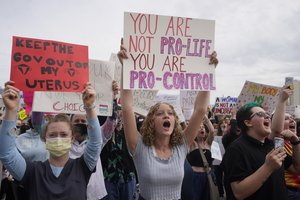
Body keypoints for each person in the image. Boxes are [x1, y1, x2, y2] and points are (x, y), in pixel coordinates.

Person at [118, 40, 217, 199]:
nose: (166, 115)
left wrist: (208, 72)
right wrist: (126, 67)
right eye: (160, 113)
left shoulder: (181, 146)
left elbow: (199, 110)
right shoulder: (139, 146)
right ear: (151, 122)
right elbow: (127, 108)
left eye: (170, 113)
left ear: (174, 121)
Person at [0, 81, 102, 200]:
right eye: (53, 135)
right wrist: (11, 110)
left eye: (63, 134)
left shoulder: (82, 167)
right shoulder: (32, 171)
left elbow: (95, 142)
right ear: (45, 139)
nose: (58, 138)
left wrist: (89, 107)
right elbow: (6, 153)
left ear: (72, 138)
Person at [222, 91, 300, 199]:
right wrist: (268, 167)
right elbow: (239, 193)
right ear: (248, 123)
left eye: (267, 114)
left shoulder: (272, 145)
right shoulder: (236, 149)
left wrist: (296, 142)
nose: (267, 117)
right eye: (260, 114)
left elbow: (296, 169)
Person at [69, 80, 119, 200]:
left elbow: (111, 123)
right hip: (71, 194)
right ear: (70, 124)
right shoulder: (63, 141)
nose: (80, 124)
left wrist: (113, 99)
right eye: (76, 121)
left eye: (83, 121)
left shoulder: (97, 138)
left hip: (96, 195)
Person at [101, 105, 137, 200]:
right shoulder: (105, 126)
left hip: (128, 175)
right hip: (108, 175)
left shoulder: (131, 128)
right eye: (117, 111)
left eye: (121, 110)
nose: (119, 113)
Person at [271, 86, 300, 200]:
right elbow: (276, 131)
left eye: (292, 118)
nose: (292, 120)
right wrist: (282, 100)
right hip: (290, 191)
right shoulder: (278, 144)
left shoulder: (296, 141)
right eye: (286, 118)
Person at [185, 115, 215, 200]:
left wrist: (205, 118)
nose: (202, 129)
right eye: (199, 127)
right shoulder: (192, 144)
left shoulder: (208, 143)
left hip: (209, 176)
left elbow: (212, 131)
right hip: (195, 177)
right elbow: (187, 132)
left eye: (203, 127)